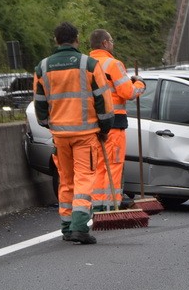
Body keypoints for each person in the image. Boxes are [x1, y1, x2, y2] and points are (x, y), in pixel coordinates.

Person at [34, 22, 114, 245]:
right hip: (85, 134)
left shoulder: (43, 67)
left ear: (55, 40)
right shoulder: (88, 64)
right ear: (77, 39)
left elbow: (40, 104)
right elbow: (103, 100)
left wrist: (49, 124)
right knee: (84, 178)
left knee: (66, 180)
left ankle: (67, 226)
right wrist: (105, 128)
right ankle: (80, 226)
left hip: (59, 134)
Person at [88, 29, 145, 212]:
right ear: (104, 43)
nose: (113, 44)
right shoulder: (113, 64)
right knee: (113, 164)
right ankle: (112, 205)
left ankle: (97, 206)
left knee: (98, 166)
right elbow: (128, 92)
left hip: (91, 125)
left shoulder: (85, 64)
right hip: (114, 125)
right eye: (111, 41)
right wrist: (140, 84)